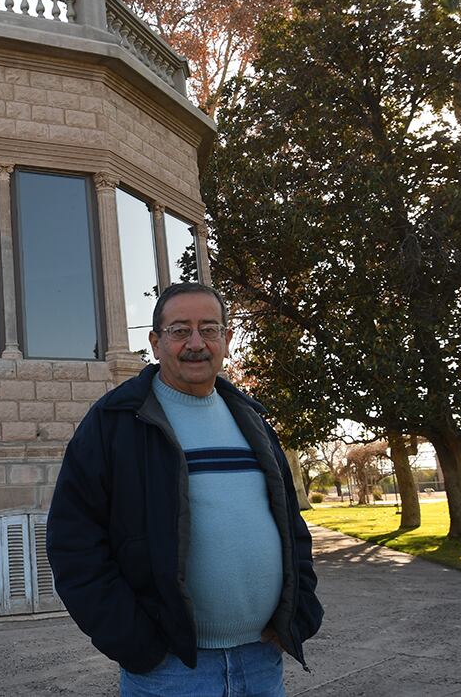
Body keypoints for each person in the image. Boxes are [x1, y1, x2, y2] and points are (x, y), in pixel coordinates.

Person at [46, 282, 322, 697]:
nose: (196, 343)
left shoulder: (253, 421)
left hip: (262, 661)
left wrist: (299, 615)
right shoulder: (115, 422)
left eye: (209, 329)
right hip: (170, 671)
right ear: (156, 343)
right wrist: (137, 643)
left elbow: (291, 526)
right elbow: (74, 544)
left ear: (227, 340)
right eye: (179, 330)